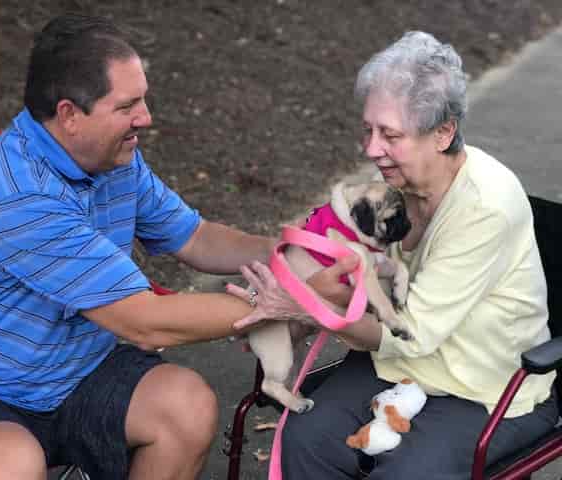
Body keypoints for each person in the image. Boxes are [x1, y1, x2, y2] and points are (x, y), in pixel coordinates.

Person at [0, 14, 350, 480]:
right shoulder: (20, 197)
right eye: (128, 105)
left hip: (74, 370)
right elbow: (144, 323)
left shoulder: (113, 158)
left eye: (142, 100)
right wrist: (288, 303)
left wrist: (298, 255)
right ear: (69, 115)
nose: (145, 118)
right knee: (9, 465)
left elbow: (196, 237)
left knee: (184, 408)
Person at [229, 31, 559, 479]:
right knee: (304, 439)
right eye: (368, 130)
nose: (370, 149)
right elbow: (333, 266)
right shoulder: (395, 189)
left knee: (407, 475)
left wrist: (310, 306)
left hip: (483, 385)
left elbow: (411, 333)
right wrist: (280, 305)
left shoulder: (485, 207)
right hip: (403, 367)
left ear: (443, 133)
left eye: (390, 134)